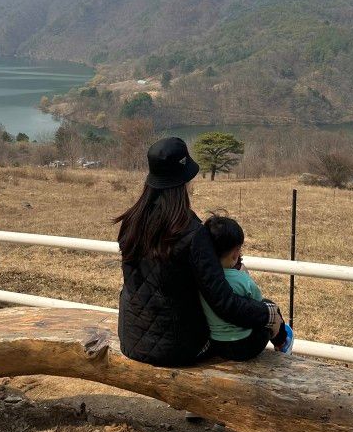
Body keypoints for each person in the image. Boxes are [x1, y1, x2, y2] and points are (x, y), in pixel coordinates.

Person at [116, 136, 285, 366]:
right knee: (262, 316)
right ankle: (284, 346)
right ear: (184, 181)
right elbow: (224, 303)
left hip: (132, 339)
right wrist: (269, 314)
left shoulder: (132, 221)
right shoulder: (192, 232)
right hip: (178, 348)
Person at [200, 214, 294, 360]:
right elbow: (258, 305)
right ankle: (282, 342)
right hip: (245, 346)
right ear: (235, 253)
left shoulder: (202, 278)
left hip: (216, 343)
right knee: (269, 305)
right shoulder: (242, 279)